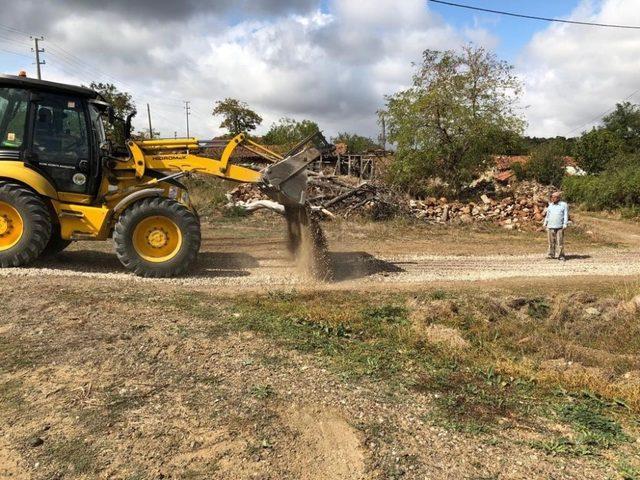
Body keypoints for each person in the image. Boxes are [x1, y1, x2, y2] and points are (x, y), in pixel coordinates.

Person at [543, 191, 568, 261]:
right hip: (550, 226)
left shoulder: (564, 205)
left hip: (559, 226)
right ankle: (551, 254)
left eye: (554, 197)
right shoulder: (550, 205)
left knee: (560, 242)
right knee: (551, 242)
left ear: (559, 198)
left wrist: (565, 224)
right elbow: (547, 215)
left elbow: (565, 215)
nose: (553, 198)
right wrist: (545, 223)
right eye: (552, 197)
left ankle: (561, 255)